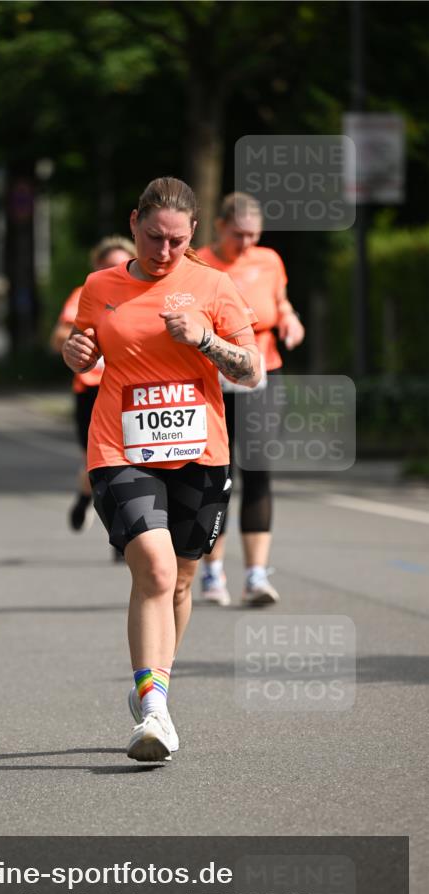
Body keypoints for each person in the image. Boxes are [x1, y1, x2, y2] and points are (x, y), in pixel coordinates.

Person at [62, 177, 261, 762]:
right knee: (152, 565)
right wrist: (76, 352)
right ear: (134, 223)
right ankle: (154, 711)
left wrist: (205, 339)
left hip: (201, 450)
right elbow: (85, 346)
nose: (164, 251)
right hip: (120, 446)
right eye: (154, 238)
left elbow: (249, 369)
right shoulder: (101, 286)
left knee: (179, 579)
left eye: (176, 240)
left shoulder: (213, 285)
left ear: (193, 233)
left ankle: (155, 685)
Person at [196, 193, 305, 605]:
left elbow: (280, 302)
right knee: (215, 473)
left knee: (257, 470)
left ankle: (256, 576)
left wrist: (291, 319)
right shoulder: (199, 262)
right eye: (238, 234)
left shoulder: (269, 261)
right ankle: (211, 573)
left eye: (253, 235)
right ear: (220, 226)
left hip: (262, 372)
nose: (245, 243)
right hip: (211, 375)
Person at [51, 236, 136, 533]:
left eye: (122, 263)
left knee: (132, 459)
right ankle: (85, 497)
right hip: (91, 389)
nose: (116, 269)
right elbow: (60, 335)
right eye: (108, 264)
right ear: (97, 266)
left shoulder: (142, 294)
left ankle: (129, 528)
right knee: (97, 462)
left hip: (130, 391)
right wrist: (86, 343)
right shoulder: (87, 292)